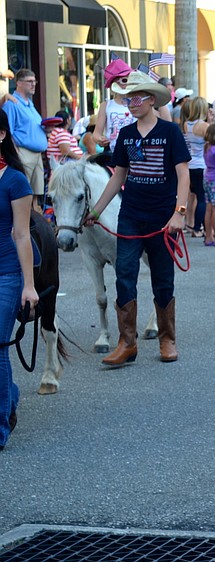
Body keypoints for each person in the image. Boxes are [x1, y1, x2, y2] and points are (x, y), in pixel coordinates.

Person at [83, 75, 190, 365]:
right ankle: (126, 342)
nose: (131, 103)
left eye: (137, 98)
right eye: (128, 99)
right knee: (124, 276)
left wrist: (179, 213)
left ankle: (167, 339)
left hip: (163, 217)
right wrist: (95, 211)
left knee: (163, 280)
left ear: (152, 100)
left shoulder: (170, 132)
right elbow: (118, 176)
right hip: (130, 216)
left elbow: (183, 175)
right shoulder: (127, 135)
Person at [0, 110, 39, 452]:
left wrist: (29, 285)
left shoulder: (15, 180)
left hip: (8, 273)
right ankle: (10, 396)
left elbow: (22, 234)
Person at [3, 69, 47, 212]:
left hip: (37, 155)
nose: (33, 84)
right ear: (19, 83)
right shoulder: (12, 104)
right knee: (21, 193)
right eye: (29, 81)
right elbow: (7, 131)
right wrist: (14, 154)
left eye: (35, 81)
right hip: (23, 153)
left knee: (35, 195)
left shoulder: (30, 105)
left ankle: (33, 226)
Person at [180, 96, 210, 238]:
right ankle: (198, 227)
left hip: (191, 164)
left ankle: (193, 225)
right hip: (202, 164)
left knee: (195, 195)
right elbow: (213, 141)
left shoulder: (187, 124)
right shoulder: (204, 126)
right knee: (202, 198)